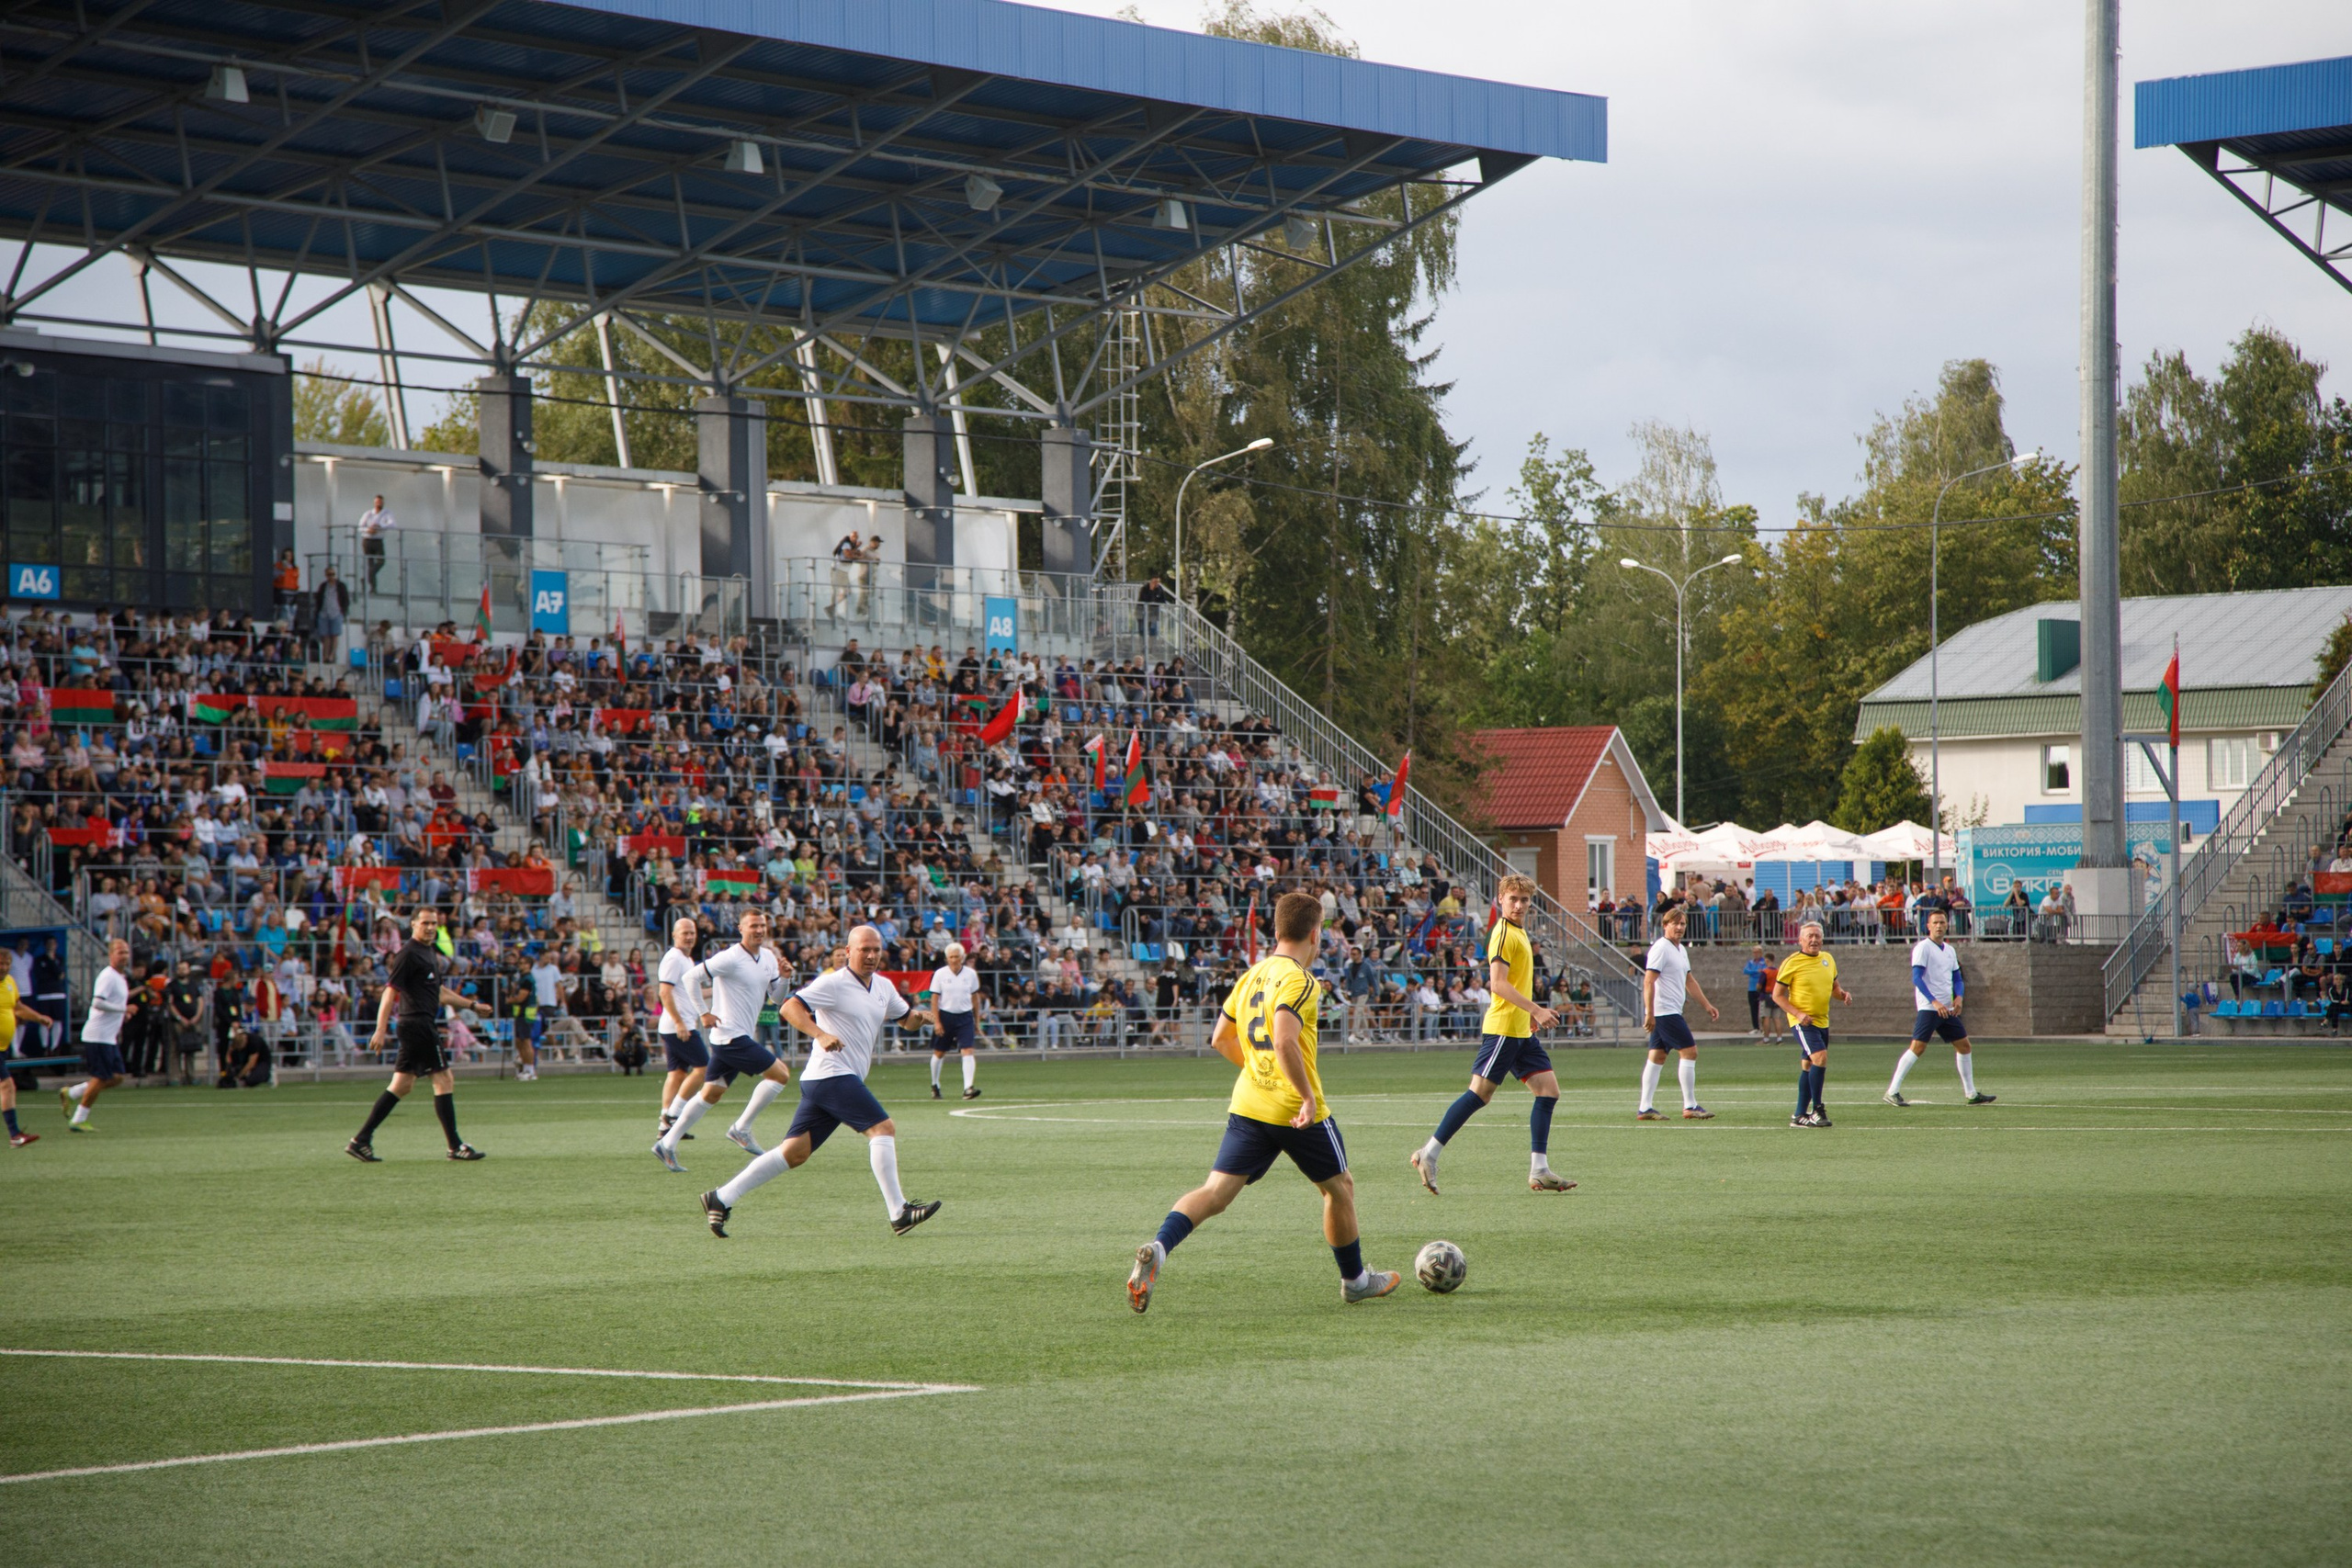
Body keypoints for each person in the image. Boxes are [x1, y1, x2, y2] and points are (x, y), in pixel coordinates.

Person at [1127, 891, 1398, 1313]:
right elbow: (1286, 1040)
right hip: (1295, 1109)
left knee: (1215, 1191)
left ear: (1275, 930)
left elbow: (1220, 1038)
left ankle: (1159, 1247)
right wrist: (1305, 1097)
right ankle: (1355, 1281)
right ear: (1316, 933)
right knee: (1338, 1188)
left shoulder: (1251, 974)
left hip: (1249, 1104)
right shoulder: (1301, 980)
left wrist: (1258, 1071)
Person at [699, 923, 939, 1239]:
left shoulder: (882, 987)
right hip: (831, 1074)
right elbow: (789, 1007)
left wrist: (922, 1018)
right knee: (883, 1129)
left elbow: (905, 1019)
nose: (870, 956)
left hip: (826, 1080)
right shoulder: (834, 983)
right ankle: (899, 1212)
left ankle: (720, 1197)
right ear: (848, 952)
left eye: (876, 950)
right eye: (863, 949)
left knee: (794, 1153)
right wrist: (820, 1034)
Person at [1408, 875, 1575, 1194]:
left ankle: (1539, 1169)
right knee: (1479, 1095)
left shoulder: (1519, 932)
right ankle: (1428, 1154)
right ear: (1500, 899)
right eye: (1513, 898)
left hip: (1520, 1030)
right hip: (1503, 1030)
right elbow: (1497, 984)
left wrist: (1529, 1016)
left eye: (1525, 900)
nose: (1519, 905)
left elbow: (1516, 982)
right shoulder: (1501, 933)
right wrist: (1537, 1010)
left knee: (1548, 1091)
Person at [655, 909, 796, 1171]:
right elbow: (690, 978)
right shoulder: (730, 957)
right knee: (780, 1075)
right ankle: (741, 1128)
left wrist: (786, 977)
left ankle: (667, 1142)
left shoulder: (768, 957)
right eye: (753, 925)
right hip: (730, 1036)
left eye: (762, 925)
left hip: (736, 1036)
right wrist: (703, 1013)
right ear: (741, 929)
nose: (759, 930)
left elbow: (776, 998)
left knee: (711, 1093)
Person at [345, 908, 485, 1162]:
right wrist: (380, 1027)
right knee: (444, 1080)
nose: (430, 927)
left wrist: (472, 1006)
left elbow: (441, 993)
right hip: (417, 1025)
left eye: (434, 923)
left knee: (402, 1085)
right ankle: (454, 1146)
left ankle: (361, 1140)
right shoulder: (408, 954)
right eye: (425, 923)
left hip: (416, 1025)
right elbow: (389, 992)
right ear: (413, 925)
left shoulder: (428, 952)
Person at [1885, 909, 1996, 1107]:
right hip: (1929, 1008)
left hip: (1948, 1009)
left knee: (1964, 1046)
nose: (1938, 926)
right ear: (1928, 926)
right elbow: (1917, 978)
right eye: (1935, 922)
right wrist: (1934, 1002)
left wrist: (1959, 997)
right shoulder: (1923, 948)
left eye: (1942, 922)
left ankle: (1971, 1094)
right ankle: (1892, 1091)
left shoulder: (1950, 950)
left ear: (1947, 925)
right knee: (1917, 1047)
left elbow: (1957, 978)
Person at [1635, 907, 1721, 1121]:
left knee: (1657, 1057)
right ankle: (1690, 1105)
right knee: (1690, 1052)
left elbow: (1688, 981)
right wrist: (1649, 1013)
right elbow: (1648, 981)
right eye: (1676, 923)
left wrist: (1707, 1005)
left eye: (1683, 924)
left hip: (1670, 1010)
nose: (1680, 927)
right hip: (1665, 1012)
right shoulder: (1661, 948)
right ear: (1665, 925)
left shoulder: (1681, 950)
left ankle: (1645, 1108)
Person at [1772, 920, 1852, 1129]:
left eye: (1817, 936)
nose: (1814, 940)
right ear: (1800, 940)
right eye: (1810, 936)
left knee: (1809, 1065)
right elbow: (1777, 995)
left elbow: (1834, 987)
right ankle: (1817, 1109)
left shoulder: (1828, 959)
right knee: (1820, 1057)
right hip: (1802, 1021)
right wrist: (1798, 1014)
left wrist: (1842, 995)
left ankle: (1799, 1115)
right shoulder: (1792, 962)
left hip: (1822, 1020)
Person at [58, 939, 133, 1132]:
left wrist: (120, 1016)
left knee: (116, 1077)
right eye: (119, 952)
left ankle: (73, 1092)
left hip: (109, 1037)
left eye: (126, 952)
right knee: (100, 1077)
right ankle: (78, 1119)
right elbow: (97, 1002)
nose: (124, 955)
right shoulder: (107, 976)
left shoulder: (121, 977)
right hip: (98, 1035)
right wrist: (123, 1009)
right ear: (110, 954)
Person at [652, 918, 710, 1145]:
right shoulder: (674, 958)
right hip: (679, 1026)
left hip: (680, 1025)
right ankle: (673, 1115)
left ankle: (664, 1126)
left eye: (692, 933)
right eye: (684, 933)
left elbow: (689, 993)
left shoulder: (686, 959)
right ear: (675, 935)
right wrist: (679, 1023)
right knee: (704, 1068)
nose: (689, 937)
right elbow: (664, 992)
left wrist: (719, 989)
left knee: (676, 1074)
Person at [1, 964, 53, 1146]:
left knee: (6, 1086)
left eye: (7, 963)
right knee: (7, 1085)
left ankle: (15, 1135)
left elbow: (18, 1007)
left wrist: (39, 1018)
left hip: (3, 1048)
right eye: (0, 963)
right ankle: (15, 1135)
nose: (4, 967)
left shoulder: (9, 982)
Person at [926, 942, 983, 1100]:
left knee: (968, 1050)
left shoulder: (970, 974)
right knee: (939, 1052)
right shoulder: (940, 974)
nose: (954, 960)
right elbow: (935, 999)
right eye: (951, 957)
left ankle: (968, 1088)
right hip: (945, 1016)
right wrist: (937, 1022)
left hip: (965, 1016)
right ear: (946, 958)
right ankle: (935, 1084)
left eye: (956, 957)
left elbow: (975, 998)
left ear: (962, 957)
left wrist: (977, 1021)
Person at [165, 958, 207, 1088]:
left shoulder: (193, 985)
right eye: (179, 969)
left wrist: (196, 1017)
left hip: (193, 1021)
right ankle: (175, 1077)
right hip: (178, 1022)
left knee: (191, 1049)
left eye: (184, 968)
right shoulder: (172, 985)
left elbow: (200, 1001)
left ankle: (191, 1076)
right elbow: (170, 1003)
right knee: (175, 1050)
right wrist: (179, 1018)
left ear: (188, 970)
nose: (182, 971)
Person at [357, 494, 396, 592]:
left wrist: (380, 526)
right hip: (367, 540)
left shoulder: (386, 513)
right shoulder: (368, 513)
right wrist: (368, 530)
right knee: (370, 563)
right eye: (377, 502)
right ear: (374, 503)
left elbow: (393, 524)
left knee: (381, 562)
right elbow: (360, 527)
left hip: (378, 540)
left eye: (380, 502)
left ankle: (366, 578)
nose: (379, 503)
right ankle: (373, 587)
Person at [1742, 944, 1769, 1036]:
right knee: (1753, 1009)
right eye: (1754, 952)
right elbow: (1745, 971)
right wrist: (1756, 971)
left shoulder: (1764, 962)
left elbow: (1764, 972)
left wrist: (1754, 972)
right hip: (1751, 989)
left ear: (1761, 953)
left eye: (1757, 952)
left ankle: (1763, 1028)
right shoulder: (1750, 962)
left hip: (1761, 989)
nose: (1755, 954)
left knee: (1762, 1010)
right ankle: (1756, 1027)